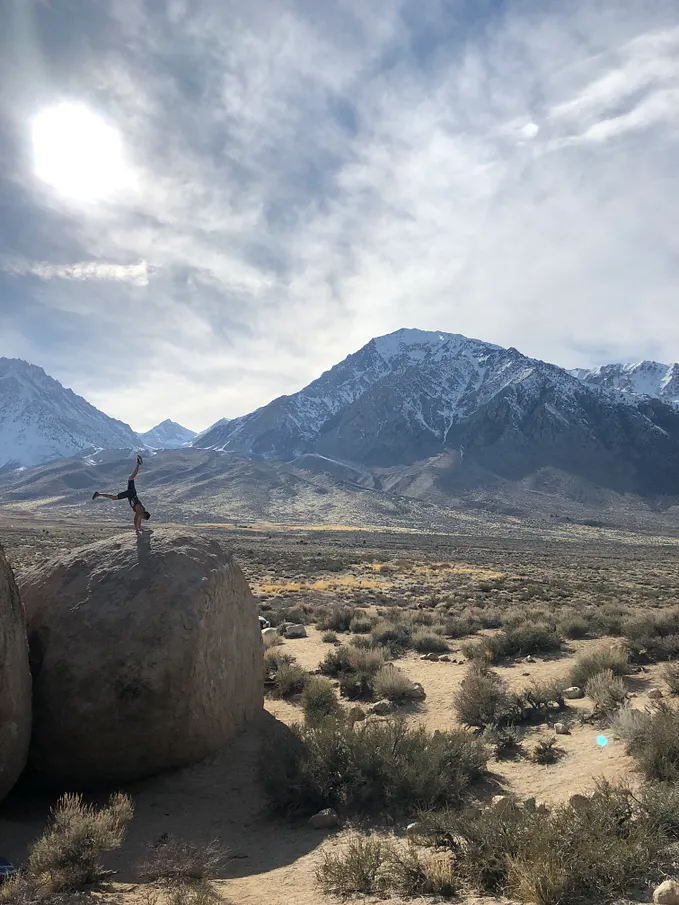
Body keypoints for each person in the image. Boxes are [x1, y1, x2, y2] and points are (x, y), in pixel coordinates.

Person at [92, 455, 151, 534]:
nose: (142, 519)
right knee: (114, 498)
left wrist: (140, 528)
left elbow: (139, 520)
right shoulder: (140, 510)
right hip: (131, 494)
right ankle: (99, 494)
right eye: (143, 518)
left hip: (132, 493)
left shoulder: (141, 511)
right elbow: (136, 519)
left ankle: (138, 464)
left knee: (131, 478)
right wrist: (137, 530)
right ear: (143, 515)